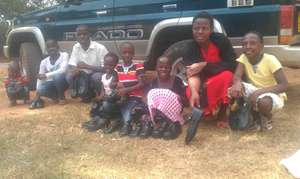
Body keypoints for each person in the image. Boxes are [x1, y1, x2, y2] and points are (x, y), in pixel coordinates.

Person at [168, 12, 236, 128]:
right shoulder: (190, 48)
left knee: (228, 76)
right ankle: (204, 110)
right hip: (201, 80)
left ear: (211, 30)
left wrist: (204, 65)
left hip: (220, 77)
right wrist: (194, 91)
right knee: (191, 92)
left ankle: (222, 113)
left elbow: (231, 64)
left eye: (204, 28)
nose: (200, 31)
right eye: (196, 28)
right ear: (192, 29)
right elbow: (192, 74)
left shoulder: (221, 41)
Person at [229, 31, 288, 130]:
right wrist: (237, 84)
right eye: (244, 44)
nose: (248, 46)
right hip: (255, 89)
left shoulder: (270, 60)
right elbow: (237, 76)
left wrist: (258, 92)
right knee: (235, 90)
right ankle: (251, 117)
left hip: (272, 93)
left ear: (261, 46)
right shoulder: (244, 58)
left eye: (252, 43)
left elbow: (284, 85)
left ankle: (267, 117)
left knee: (264, 103)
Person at [140, 56, 187, 139]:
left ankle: (171, 125)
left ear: (171, 68)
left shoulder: (176, 80)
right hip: (158, 110)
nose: (163, 69)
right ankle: (156, 123)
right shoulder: (154, 81)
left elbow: (184, 99)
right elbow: (146, 95)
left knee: (168, 99)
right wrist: (147, 101)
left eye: (166, 67)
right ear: (156, 68)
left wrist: (176, 96)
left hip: (173, 110)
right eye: (160, 67)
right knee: (144, 106)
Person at [66, 25, 108, 102]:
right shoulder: (76, 47)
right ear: (76, 36)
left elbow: (106, 68)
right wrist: (74, 69)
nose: (82, 37)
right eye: (79, 34)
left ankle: (101, 96)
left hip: (96, 73)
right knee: (69, 76)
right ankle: (86, 94)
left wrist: (87, 66)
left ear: (89, 35)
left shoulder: (100, 48)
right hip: (83, 75)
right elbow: (71, 64)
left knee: (96, 77)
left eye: (84, 34)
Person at [82, 52, 121, 133]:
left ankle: (104, 120)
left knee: (106, 104)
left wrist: (110, 94)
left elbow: (116, 91)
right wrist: (100, 97)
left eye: (111, 65)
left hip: (114, 100)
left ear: (116, 65)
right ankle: (98, 118)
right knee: (97, 104)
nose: (108, 67)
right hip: (106, 97)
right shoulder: (104, 76)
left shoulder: (116, 76)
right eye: (106, 64)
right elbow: (103, 88)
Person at [115, 42, 145, 136]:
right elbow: (114, 82)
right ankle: (124, 122)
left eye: (130, 52)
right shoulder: (117, 68)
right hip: (121, 96)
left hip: (135, 96)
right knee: (114, 105)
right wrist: (117, 85)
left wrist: (126, 89)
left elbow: (142, 84)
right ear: (121, 54)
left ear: (133, 54)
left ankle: (127, 124)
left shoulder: (138, 66)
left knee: (128, 106)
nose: (127, 55)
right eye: (124, 52)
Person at [29, 39, 69, 109]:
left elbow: (63, 70)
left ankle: (62, 97)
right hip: (52, 83)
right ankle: (55, 97)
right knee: (40, 89)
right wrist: (37, 95)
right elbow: (40, 78)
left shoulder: (64, 55)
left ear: (57, 47)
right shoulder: (44, 62)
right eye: (48, 47)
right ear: (46, 49)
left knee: (58, 77)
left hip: (64, 82)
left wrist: (46, 75)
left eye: (53, 46)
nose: (51, 48)